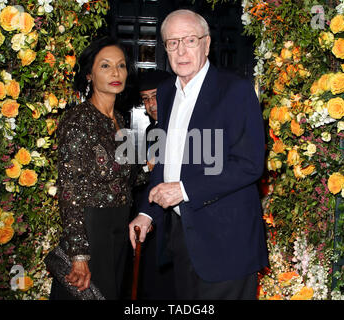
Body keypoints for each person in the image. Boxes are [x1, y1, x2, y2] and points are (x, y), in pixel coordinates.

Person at [129, 9, 268, 300]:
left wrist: (184, 190)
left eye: (189, 40)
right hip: (183, 238)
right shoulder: (166, 91)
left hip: (227, 242)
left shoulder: (236, 90)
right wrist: (147, 212)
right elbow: (165, 159)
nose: (180, 50)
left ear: (206, 44)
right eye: (172, 42)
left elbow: (250, 164)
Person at [50, 36, 146, 300]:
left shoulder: (121, 119)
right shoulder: (77, 120)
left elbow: (128, 178)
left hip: (119, 227)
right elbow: (69, 190)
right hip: (92, 229)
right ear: (90, 74)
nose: (116, 72)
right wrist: (78, 255)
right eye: (105, 66)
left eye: (121, 65)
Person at [136, 69, 176, 299]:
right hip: (150, 217)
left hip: (173, 222)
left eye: (155, 96)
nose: (151, 104)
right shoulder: (152, 130)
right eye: (145, 98)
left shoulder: (179, 127)